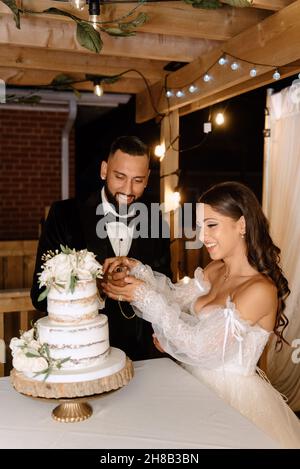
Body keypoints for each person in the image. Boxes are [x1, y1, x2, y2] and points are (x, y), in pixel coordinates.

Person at [102, 181, 300, 448]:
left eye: (211, 225)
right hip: (189, 384)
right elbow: (174, 299)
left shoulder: (260, 291)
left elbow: (199, 345)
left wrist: (146, 299)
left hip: (230, 402)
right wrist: (137, 271)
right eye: (199, 226)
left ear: (241, 225)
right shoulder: (215, 269)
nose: (202, 235)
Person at [31, 136, 171, 361]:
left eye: (137, 180)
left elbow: (167, 288)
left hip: (143, 356)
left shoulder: (156, 220)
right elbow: (39, 296)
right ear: (104, 170)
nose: (128, 189)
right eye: (120, 177)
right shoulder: (64, 216)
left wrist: (140, 284)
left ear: (147, 180)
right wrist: (97, 285)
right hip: (83, 356)